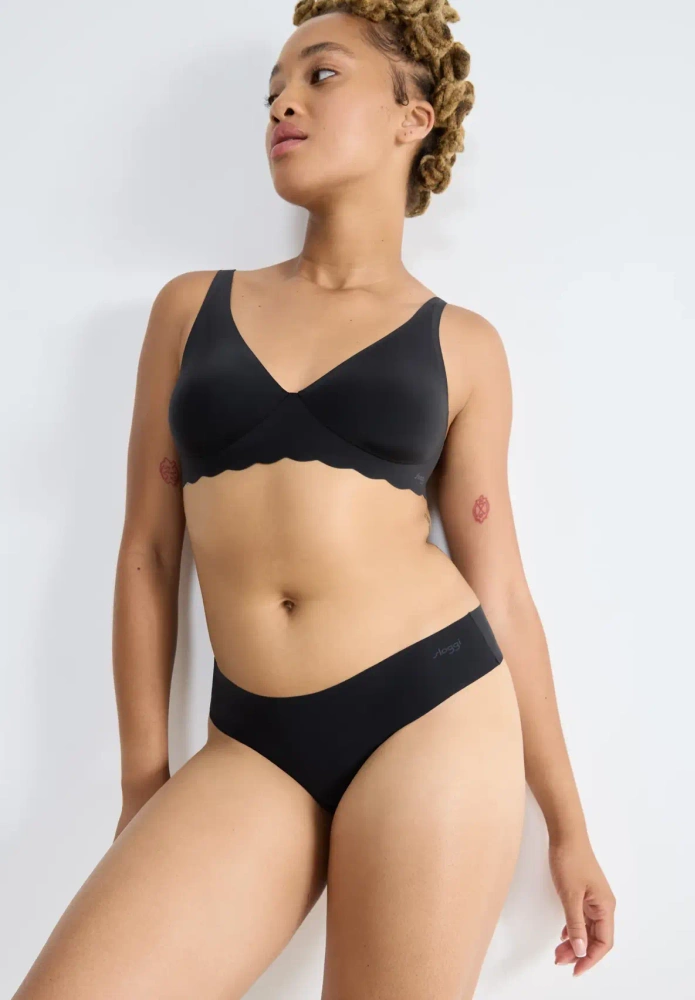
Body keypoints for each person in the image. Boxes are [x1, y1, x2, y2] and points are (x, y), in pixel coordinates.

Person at [13, 2, 615, 997]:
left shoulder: (463, 345)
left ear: (411, 117)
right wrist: (142, 783)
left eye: (320, 75)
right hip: (252, 742)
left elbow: (501, 588)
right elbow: (147, 554)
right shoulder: (190, 309)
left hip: (432, 712)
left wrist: (568, 825)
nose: (282, 103)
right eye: (273, 90)